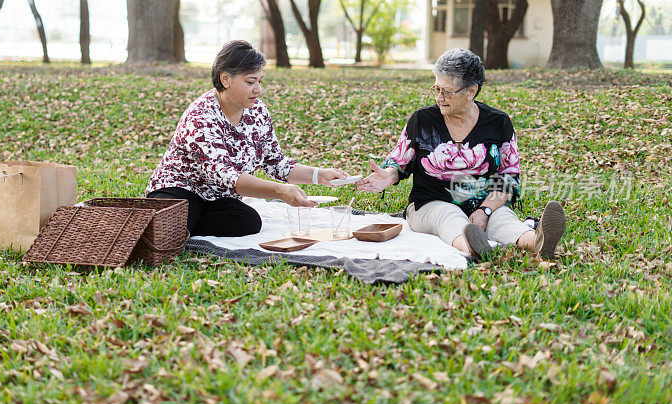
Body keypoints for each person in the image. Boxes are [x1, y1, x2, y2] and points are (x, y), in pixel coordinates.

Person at [356, 48, 565, 259]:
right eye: (436, 89)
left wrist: (485, 211)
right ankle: (474, 247)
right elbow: (399, 163)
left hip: (484, 203)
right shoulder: (423, 120)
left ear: (471, 91)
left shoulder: (498, 122)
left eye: (447, 92)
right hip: (431, 204)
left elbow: (509, 177)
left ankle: (538, 242)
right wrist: (388, 175)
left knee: (503, 220)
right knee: (448, 216)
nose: (439, 97)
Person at [146, 40, 347, 237]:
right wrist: (280, 191)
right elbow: (226, 175)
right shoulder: (201, 117)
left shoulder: (257, 111)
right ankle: (172, 224)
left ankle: (187, 227)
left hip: (218, 196)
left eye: (260, 81)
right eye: (250, 82)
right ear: (226, 79)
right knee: (169, 229)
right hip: (181, 189)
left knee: (248, 221)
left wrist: (319, 175)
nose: (258, 89)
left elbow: (277, 162)